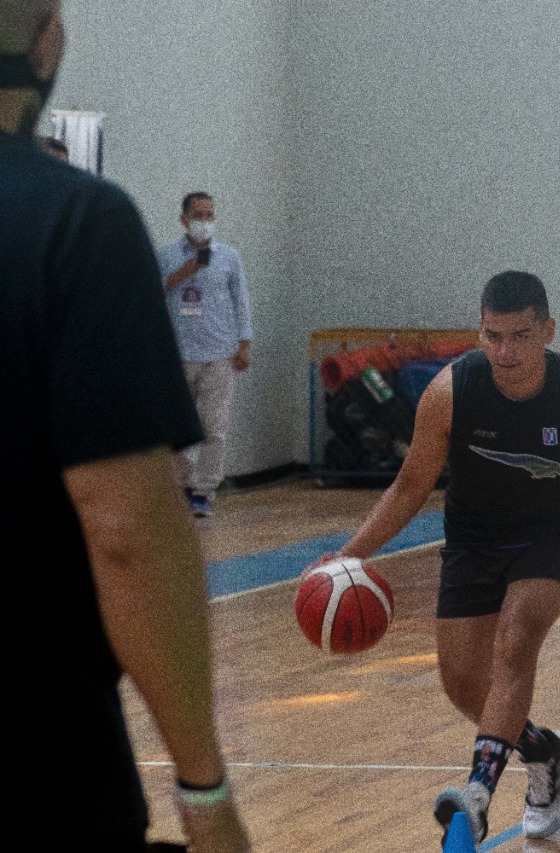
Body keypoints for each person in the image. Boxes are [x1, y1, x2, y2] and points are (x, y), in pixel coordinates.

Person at [1, 2, 250, 849]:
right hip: (36, 759)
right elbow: (128, 530)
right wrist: (204, 787)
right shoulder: (73, 223)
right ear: (48, 41)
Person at [329, 271, 560, 845]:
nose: (505, 352)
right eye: (493, 336)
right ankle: (544, 754)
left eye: (521, 337)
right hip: (475, 536)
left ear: (548, 331)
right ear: (480, 333)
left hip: (555, 532)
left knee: (518, 637)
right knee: (462, 683)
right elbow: (408, 487)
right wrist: (345, 556)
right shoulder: (450, 393)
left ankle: (475, 798)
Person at [156, 192, 253, 518]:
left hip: (219, 354)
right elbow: (151, 296)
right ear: (183, 218)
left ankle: (203, 491)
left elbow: (241, 300)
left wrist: (244, 342)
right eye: (198, 214)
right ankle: (182, 482)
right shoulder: (166, 255)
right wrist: (182, 274)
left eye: (210, 214)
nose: (204, 220)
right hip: (177, 356)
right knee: (172, 429)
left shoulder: (228, 256)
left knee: (215, 428)